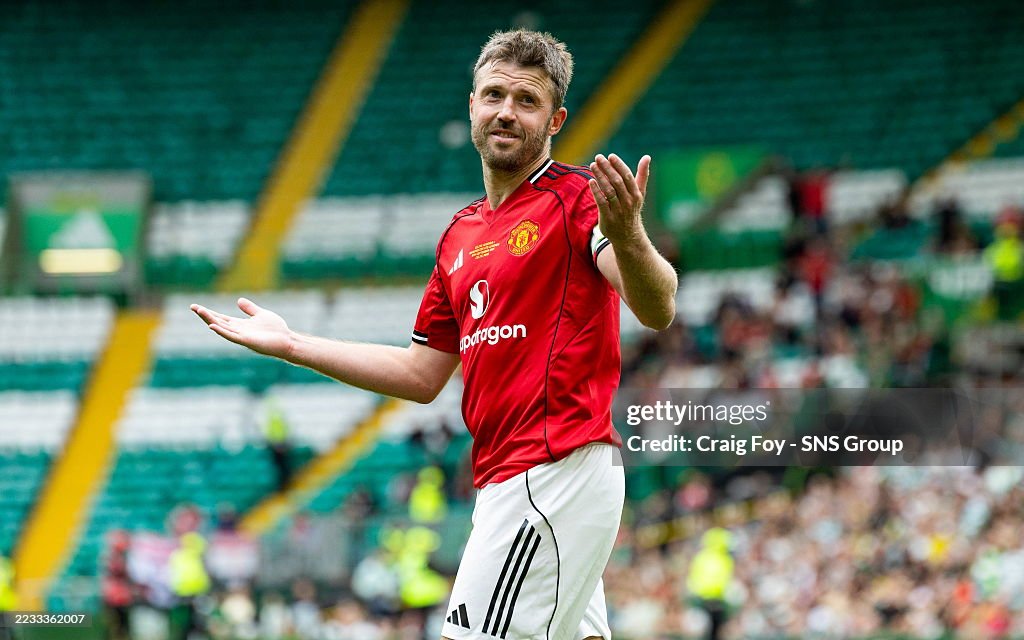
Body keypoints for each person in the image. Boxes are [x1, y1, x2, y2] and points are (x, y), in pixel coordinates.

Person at [192, 29, 677, 640]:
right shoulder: (459, 235)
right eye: (494, 94)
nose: (506, 111)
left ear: (555, 119)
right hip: (513, 480)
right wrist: (292, 345)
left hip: (551, 472)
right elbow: (423, 376)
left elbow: (656, 307)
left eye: (526, 101)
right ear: (471, 104)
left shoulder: (575, 199)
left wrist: (629, 234)